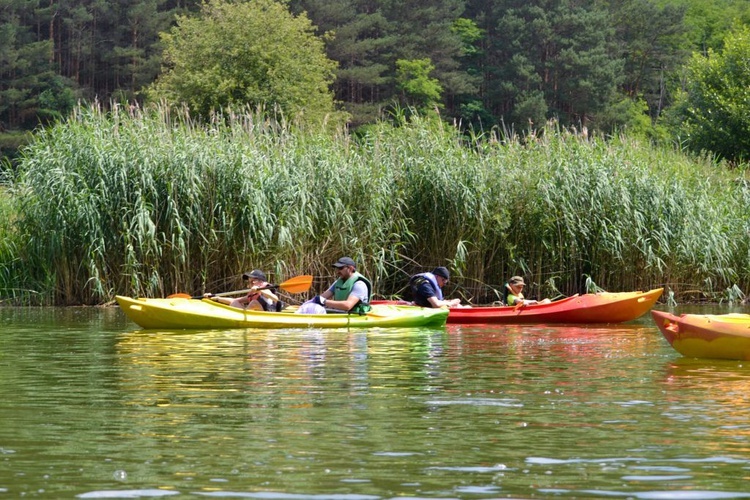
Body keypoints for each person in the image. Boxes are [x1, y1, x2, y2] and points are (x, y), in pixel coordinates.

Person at [297, 257, 372, 314]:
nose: (337, 271)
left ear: (350, 268)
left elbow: (348, 305)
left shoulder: (359, 284)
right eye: (337, 268)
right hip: (340, 313)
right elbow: (323, 297)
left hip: (354, 315)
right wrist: (310, 302)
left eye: (340, 268)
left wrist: (324, 302)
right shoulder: (338, 282)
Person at [204, 269, 281, 311]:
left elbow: (276, 299)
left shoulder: (265, 289)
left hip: (267, 314)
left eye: (252, 281)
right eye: (249, 281)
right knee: (235, 302)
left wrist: (260, 290)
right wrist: (216, 298)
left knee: (254, 302)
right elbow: (234, 300)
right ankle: (242, 314)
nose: (250, 283)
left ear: (260, 281)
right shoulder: (252, 293)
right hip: (252, 314)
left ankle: (243, 314)